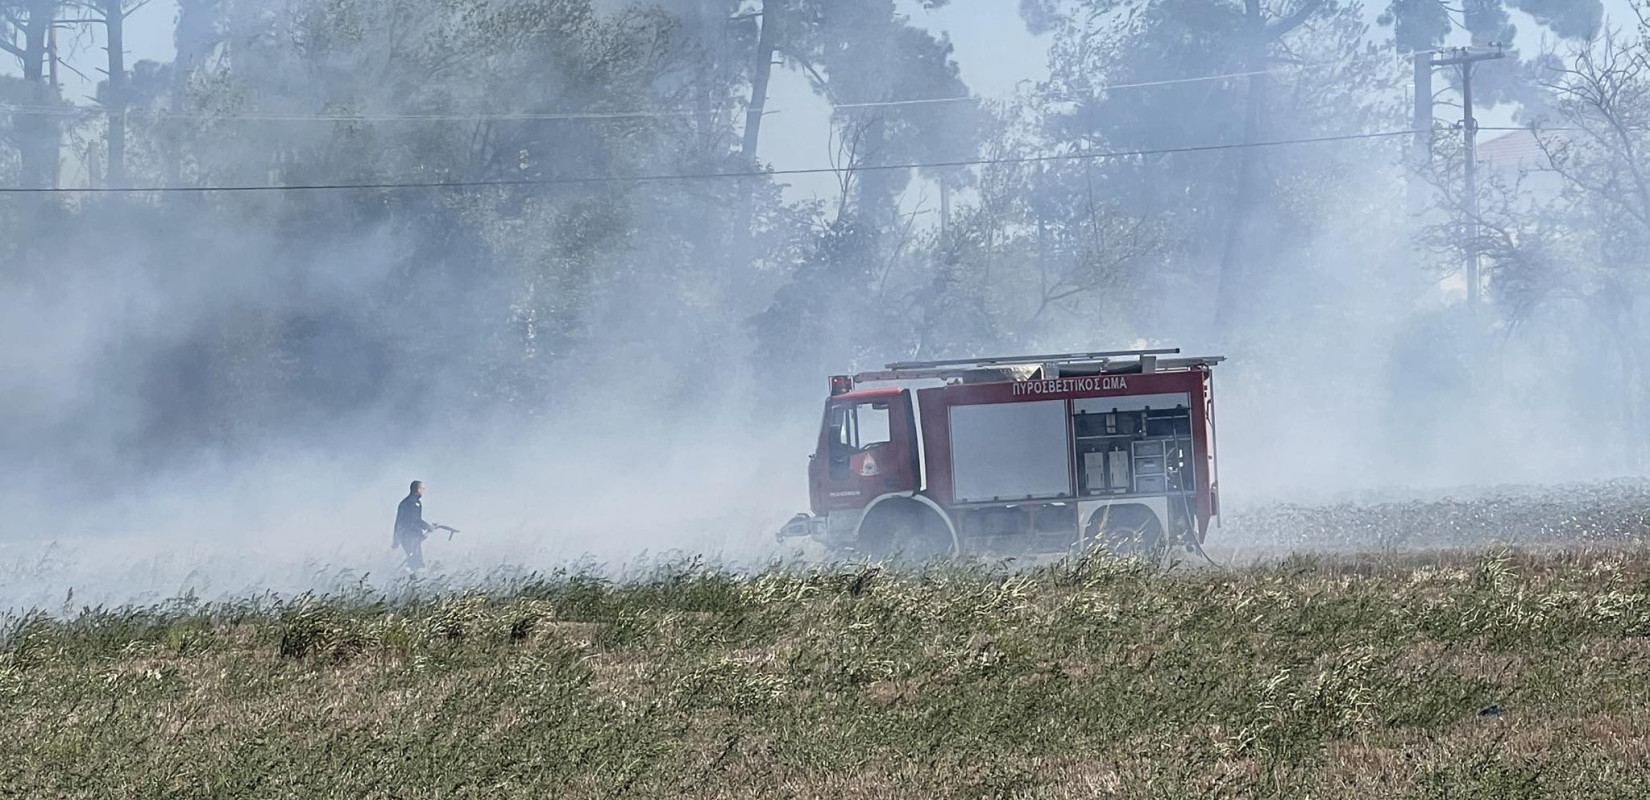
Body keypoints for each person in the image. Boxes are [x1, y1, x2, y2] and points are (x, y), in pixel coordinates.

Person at [394, 480, 436, 569]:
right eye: (423, 488)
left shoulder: (404, 502)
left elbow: (397, 522)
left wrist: (396, 539)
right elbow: (415, 520)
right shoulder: (413, 503)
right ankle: (414, 574)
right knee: (417, 561)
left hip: (404, 535)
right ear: (418, 489)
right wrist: (428, 527)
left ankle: (410, 573)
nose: (424, 491)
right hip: (411, 535)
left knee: (412, 558)